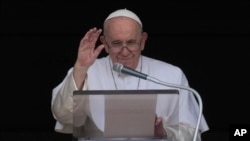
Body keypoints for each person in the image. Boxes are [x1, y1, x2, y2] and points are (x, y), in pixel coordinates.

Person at [51, 8, 209, 141]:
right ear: (105, 43)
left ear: (142, 41)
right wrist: (80, 66)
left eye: (131, 42)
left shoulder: (171, 74)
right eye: (117, 43)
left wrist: (162, 133)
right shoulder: (86, 71)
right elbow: (63, 116)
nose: (125, 51)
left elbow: (192, 132)